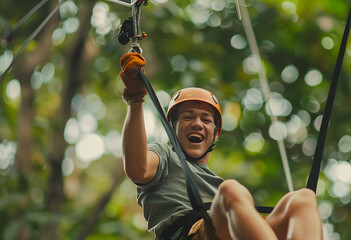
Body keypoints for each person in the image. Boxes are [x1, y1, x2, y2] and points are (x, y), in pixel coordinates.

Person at [120, 52, 323, 240]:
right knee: (231, 191)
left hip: (222, 229)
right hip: (189, 233)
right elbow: (138, 169)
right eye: (188, 117)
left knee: (303, 199)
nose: (198, 124)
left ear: (216, 133)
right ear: (172, 128)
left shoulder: (221, 188)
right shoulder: (165, 155)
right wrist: (135, 99)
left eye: (206, 120)